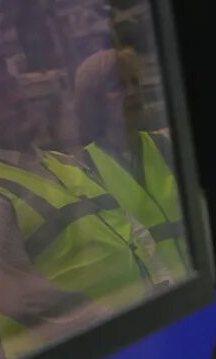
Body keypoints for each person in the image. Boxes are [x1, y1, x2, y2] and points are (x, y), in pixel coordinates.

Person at [0, 57, 165, 359]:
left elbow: (130, 229)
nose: (17, 98)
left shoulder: (62, 163)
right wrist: (111, 323)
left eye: (14, 86)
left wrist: (162, 286)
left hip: (137, 338)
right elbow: (20, 296)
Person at [49, 48, 189, 277]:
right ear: (94, 101)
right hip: (152, 294)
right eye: (118, 86)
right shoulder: (83, 170)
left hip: (199, 282)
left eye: (135, 82)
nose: (132, 92)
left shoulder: (167, 146)